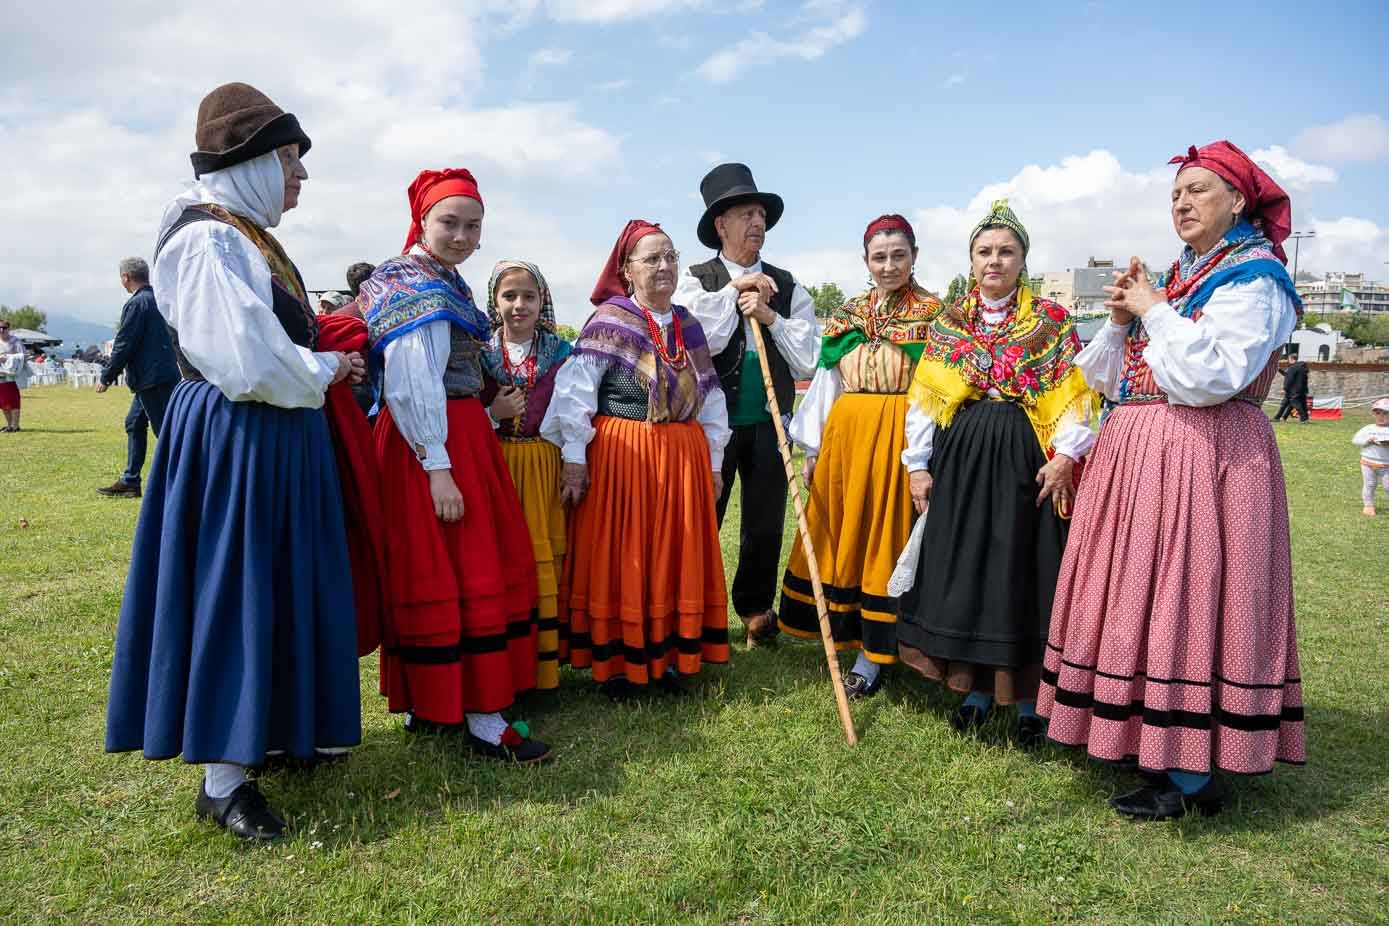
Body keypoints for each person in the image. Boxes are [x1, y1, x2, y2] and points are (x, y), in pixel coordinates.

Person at [106, 82, 365, 840]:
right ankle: (222, 782)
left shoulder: (242, 233)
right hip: (238, 434)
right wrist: (324, 371)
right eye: (290, 157)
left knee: (282, 580)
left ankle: (277, 734)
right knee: (238, 585)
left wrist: (315, 368)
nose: (301, 175)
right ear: (250, 159)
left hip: (273, 435)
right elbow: (247, 360)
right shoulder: (206, 238)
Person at [1037, 141, 1306, 820]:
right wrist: (1125, 318)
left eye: (1197, 190)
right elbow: (1107, 378)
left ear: (1238, 201)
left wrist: (1155, 310)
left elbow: (1211, 376)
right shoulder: (1182, 278)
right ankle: (1147, 740)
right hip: (1139, 455)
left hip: (1201, 455)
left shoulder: (1255, 277)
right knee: (1139, 597)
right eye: (1174, 195)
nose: (1181, 204)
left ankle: (1190, 778)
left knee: (1182, 597)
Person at [362, 167, 551, 763]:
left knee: (444, 569)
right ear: (422, 219)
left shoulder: (444, 280)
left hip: (458, 433)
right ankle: (481, 715)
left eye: (473, 226)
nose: (463, 236)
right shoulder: (412, 283)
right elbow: (411, 381)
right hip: (436, 440)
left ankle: (437, 699)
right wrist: (437, 465)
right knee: (462, 567)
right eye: (450, 222)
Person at [896, 200, 1096, 748]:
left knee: (1021, 565)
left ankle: (1030, 699)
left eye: (1006, 251)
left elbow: (1078, 400)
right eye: (984, 251)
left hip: (1027, 457)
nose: (994, 261)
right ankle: (974, 691)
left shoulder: (1050, 323)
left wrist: (1067, 455)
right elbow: (925, 398)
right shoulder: (951, 321)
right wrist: (917, 464)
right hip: (960, 455)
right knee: (969, 563)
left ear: (1023, 259)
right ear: (970, 259)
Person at [542, 220, 731, 700]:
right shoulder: (611, 320)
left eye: (670, 256)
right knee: (626, 555)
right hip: (624, 456)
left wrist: (713, 462)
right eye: (652, 258)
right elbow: (576, 393)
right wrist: (574, 458)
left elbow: (710, 397)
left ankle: (668, 655)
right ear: (627, 269)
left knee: (672, 553)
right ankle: (622, 663)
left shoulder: (688, 324)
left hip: (682, 455)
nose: (665, 266)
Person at [780, 215, 943, 698]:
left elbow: (933, 392)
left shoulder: (934, 314)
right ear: (865, 260)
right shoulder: (849, 313)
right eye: (879, 256)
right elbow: (828, 381)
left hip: (898, 436)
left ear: (914, 256)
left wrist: (921, 458)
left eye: (899, 255)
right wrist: (813, 446)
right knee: (845, 533)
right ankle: (848, 634)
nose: (889, 265)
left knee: (884, 538)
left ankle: (875, 653)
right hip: (846, 439)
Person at [674, 163, 821, 647]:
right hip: (712, 424)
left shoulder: (787, 283)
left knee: (763, 521)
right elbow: (704, 341)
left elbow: (807, 359)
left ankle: (756, 608)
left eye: (760, 213)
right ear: (721, 225)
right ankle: (693, 607)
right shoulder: (696, 280)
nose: (756, 223)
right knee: (703, 516)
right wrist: (735, 292)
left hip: (769, 422)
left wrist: (769, 314)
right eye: (745, 214)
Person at [481, 260, 573, 691]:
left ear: (542, 302)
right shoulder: (478, 352)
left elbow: (572, 414)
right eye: (509, 295)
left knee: (542, 563)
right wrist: (491, 414)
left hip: (542, 466)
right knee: (499, 561)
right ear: (494, 301)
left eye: (529, 296)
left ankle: (542, 666)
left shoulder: (560, 354)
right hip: (494, 465)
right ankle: (505, 661)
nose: (519, 305)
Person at [95, 258, 180, 498]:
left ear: (125, 278)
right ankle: (131, 481)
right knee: (134, 423)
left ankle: (184, 482)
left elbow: (124, 344)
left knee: (166, 432)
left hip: (152, 378)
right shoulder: (160, 299)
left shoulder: (137, 304)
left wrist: (107, 376)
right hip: (158, 376)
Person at [1353, 397, 1389, 515]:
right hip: (1368, 463)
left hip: (1386, 465)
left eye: (1385, 413)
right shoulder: (1368, 428)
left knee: (1388, 486)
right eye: (1378, 413)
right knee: (1369, 484)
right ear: (1374, 414)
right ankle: (1368, 506)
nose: (1381, 416)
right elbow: (1355, 440)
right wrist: (1367, 441)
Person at [0, 320, 26, 432]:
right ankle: (9, 425)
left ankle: (15, 426)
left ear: (8, 328)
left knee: (13, 400)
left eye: (4, 327)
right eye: (0, 327)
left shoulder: (15, 341)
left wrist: (8, 358)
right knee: (2, 401)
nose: (1, 330)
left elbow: (23, 356)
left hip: (11, 376)